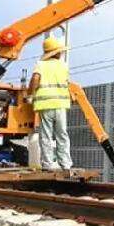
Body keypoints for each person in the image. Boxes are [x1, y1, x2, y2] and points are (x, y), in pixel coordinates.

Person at [28, 36, 72, 171]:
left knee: (46, 135)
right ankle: (65, 164)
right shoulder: (64, 66)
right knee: (62, 134)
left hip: (45, 106)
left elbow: (35, 79)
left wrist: (30, 94)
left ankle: (47, 164)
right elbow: (67, 83)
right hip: (60, 105)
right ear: (57, 52)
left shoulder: (40, 65)